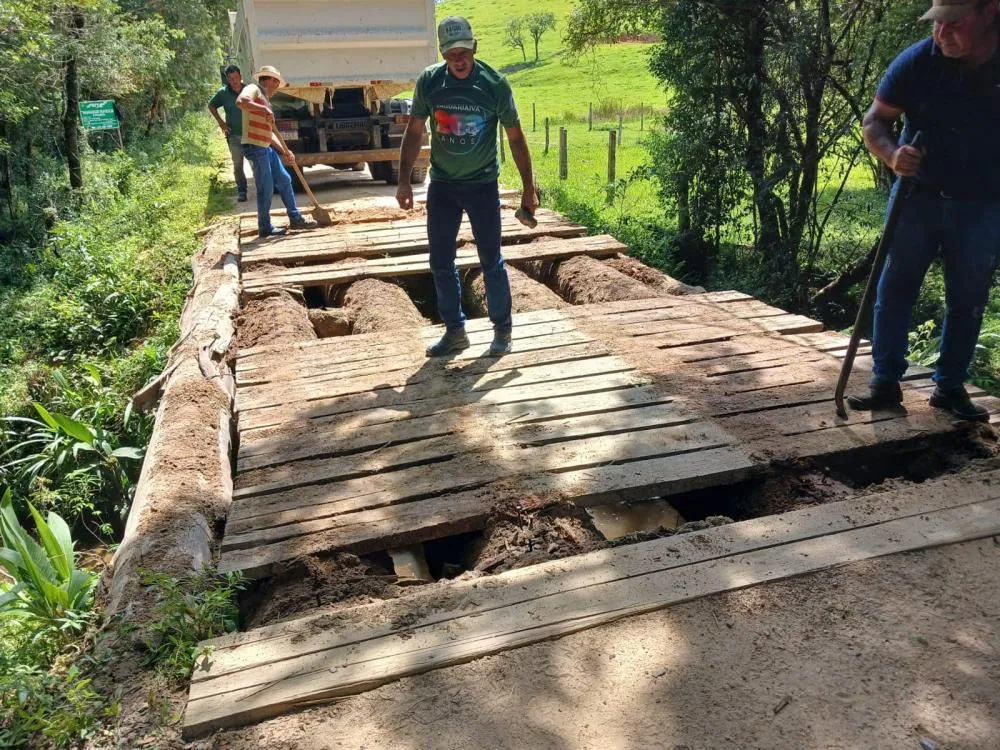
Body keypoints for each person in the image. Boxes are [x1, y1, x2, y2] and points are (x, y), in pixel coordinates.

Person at [848, 0, 1000, 422]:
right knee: (895, 287)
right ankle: (884, 382)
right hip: (917, 197)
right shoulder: (917, 62)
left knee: (968, 298)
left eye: (954, 22)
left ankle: (949, 388)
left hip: (982, 204)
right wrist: (892, 154)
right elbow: (875, 121)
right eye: (937, 23)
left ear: (990, 12)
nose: (941, 33)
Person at [396, 16, 539, 357]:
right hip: (443, 185)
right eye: (450, 54)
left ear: (474, 47)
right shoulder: (430, 81)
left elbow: (515, 138)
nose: (458, 59)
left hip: (482, 185)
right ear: (443, 53)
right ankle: (455, 331)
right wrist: (403, 182)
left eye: (463, 52)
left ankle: (502, 331)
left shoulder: (494, 84)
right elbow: (414, 131)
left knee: (490, 259)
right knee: (440, 260)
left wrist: (528, 187)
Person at [236, 65, 317, 238]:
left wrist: (285, 151)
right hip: (255, 147)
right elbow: (241, 101)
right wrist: (263, 109)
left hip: (265, 147)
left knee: (285, 180)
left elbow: (269, 133)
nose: (277, 88)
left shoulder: (265, 99)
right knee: (266, 187)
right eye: (277, 83)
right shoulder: (253, 89)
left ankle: (295, 218)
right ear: (271, 80)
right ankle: (264, 227)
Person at [208, 65, 249, 202]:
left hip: (251, 135)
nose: (234, 81)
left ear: (240, 76)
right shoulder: (223, 93)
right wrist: (221, 123)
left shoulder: (249, 90)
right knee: (237, 165)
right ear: (227, 79)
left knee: (258, 165)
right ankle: (242, 191)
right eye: (231, 79)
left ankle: (263, 190)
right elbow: (211, 105)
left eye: (236, 77)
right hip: (234, 136)